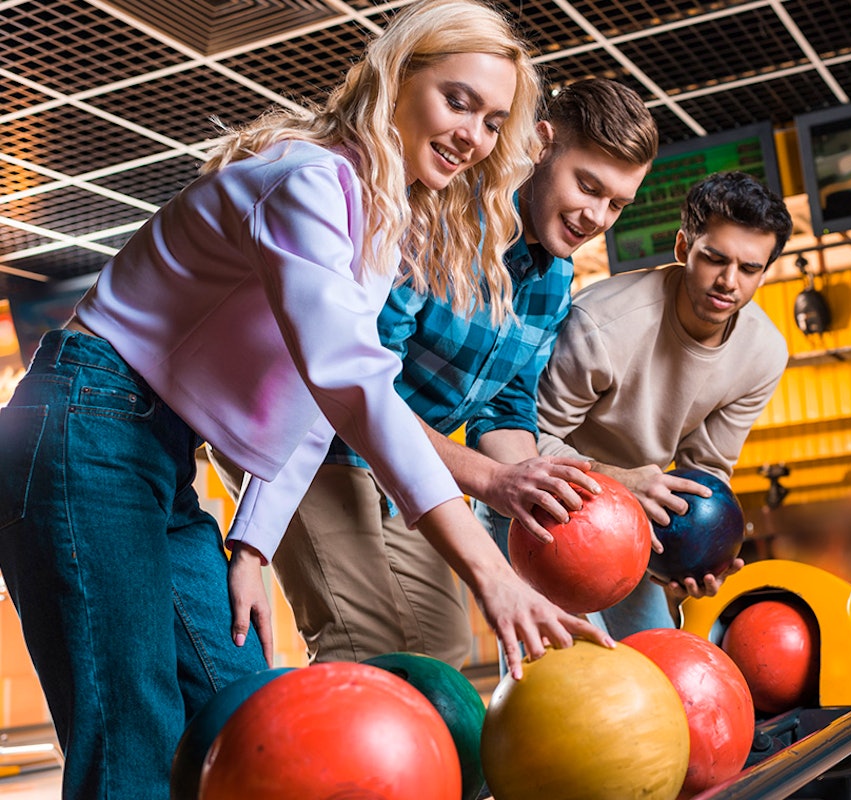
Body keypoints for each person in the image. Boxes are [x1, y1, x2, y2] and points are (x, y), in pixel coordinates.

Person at [0, 3, 608, 797]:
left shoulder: (376, 222)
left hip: (155, 454)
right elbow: (351, 384)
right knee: (134, 740)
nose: (474, 136)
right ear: (397, 79)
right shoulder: (309, 182)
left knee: (240, 711)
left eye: (493, 122)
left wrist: (252, 547)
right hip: (85, 423)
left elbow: (311, 402)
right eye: (458, 101)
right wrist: (490, 573)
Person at [209, 78, 658, 666]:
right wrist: (493, 481)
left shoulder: (555, 278)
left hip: (406, 459)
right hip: (310, 435)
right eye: (588, 186)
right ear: (542, 144)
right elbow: (353, 390)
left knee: (441, 649)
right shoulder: (434, 222)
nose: (596, 216)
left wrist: (533, 480)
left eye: (617, 204)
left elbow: (505, 407)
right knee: (366, 644)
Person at [482, 170, 794, 638]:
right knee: (552, 657)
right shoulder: (603, 324)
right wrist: (622, 483)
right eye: (714, 259)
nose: (729, 282)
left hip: (636, 508)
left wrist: (698, 550)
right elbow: (524, 444)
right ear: (683, 248)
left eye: (749, 269)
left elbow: (705, 471)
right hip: (533, 499)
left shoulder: (764, 353)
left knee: (652, 653)